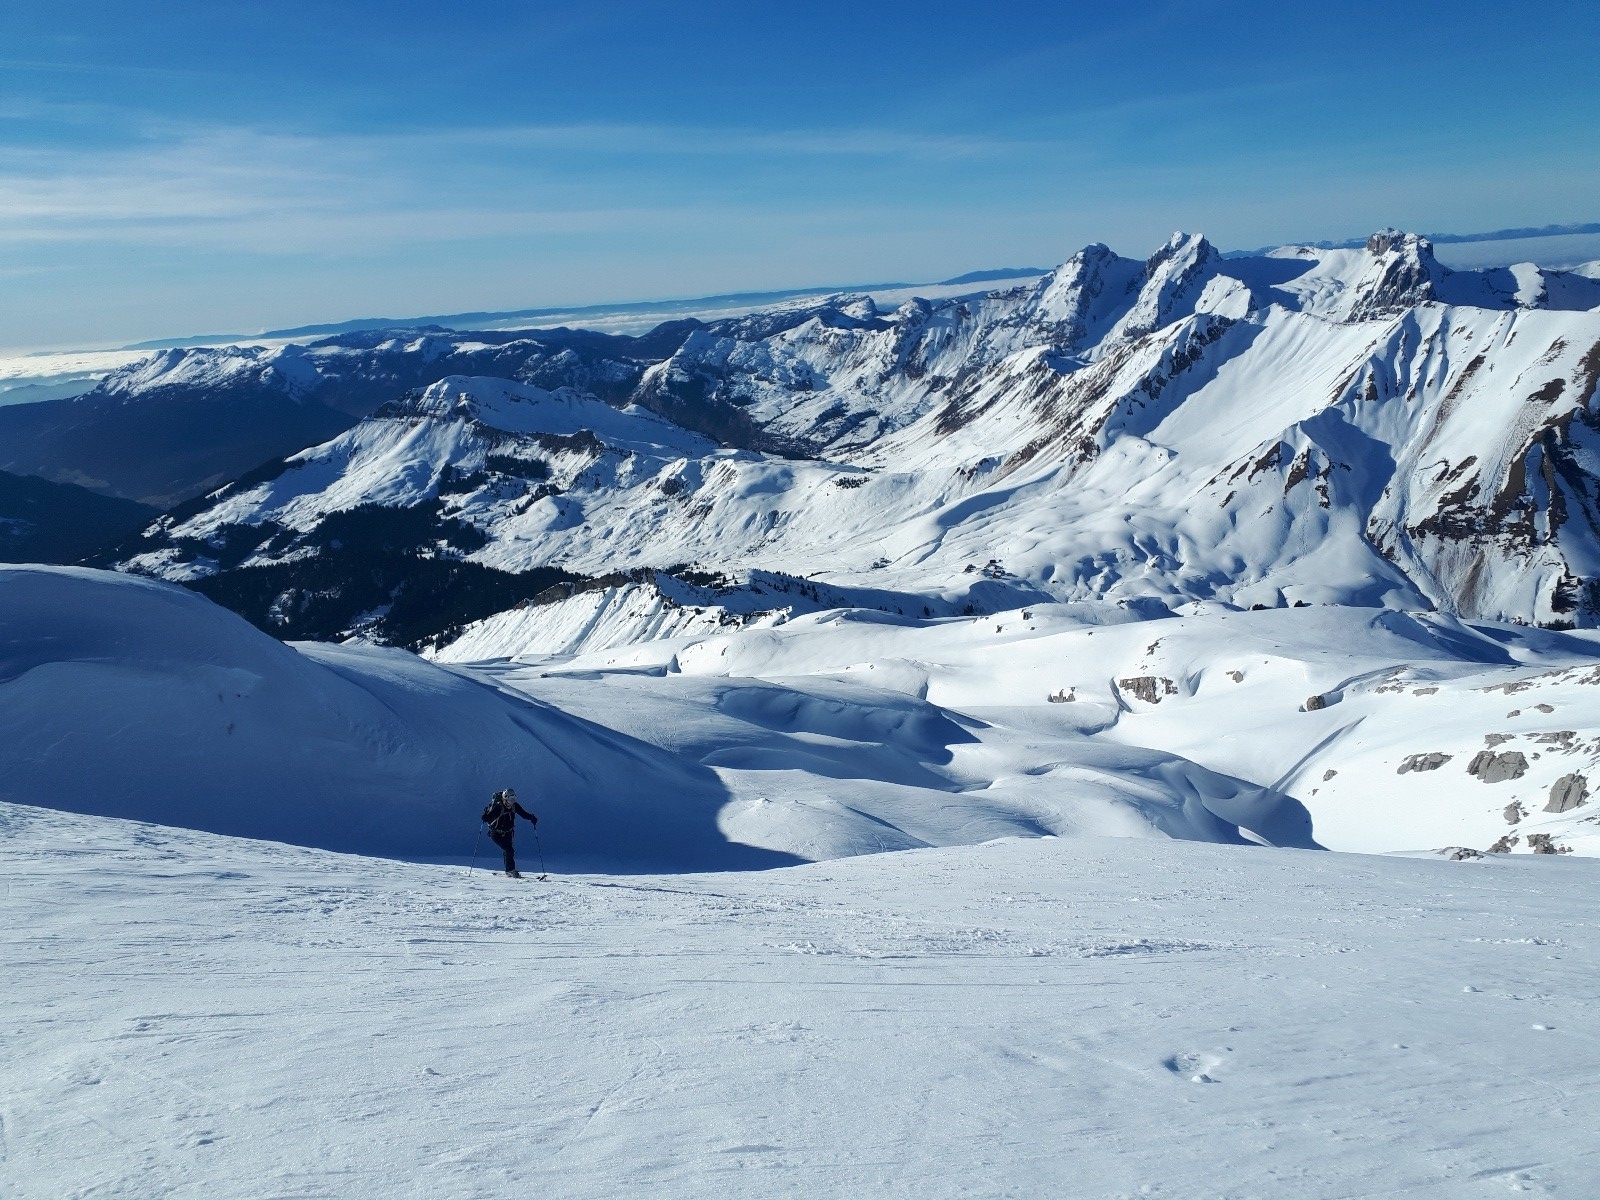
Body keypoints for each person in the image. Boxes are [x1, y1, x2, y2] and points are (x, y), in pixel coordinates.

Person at [481, 788, 537, 878]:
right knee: (508, 849)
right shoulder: (499, 807)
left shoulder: (515, 806)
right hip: (495, 833)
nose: (512, 802)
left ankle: (509, 870)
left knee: (508, 850)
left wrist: (531, 817)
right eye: (510, 799)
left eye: (513, 799)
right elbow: (488, 818)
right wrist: (485, 817)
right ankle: (510, 870)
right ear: (505, 798)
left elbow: (523, 814)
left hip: (508, 833)